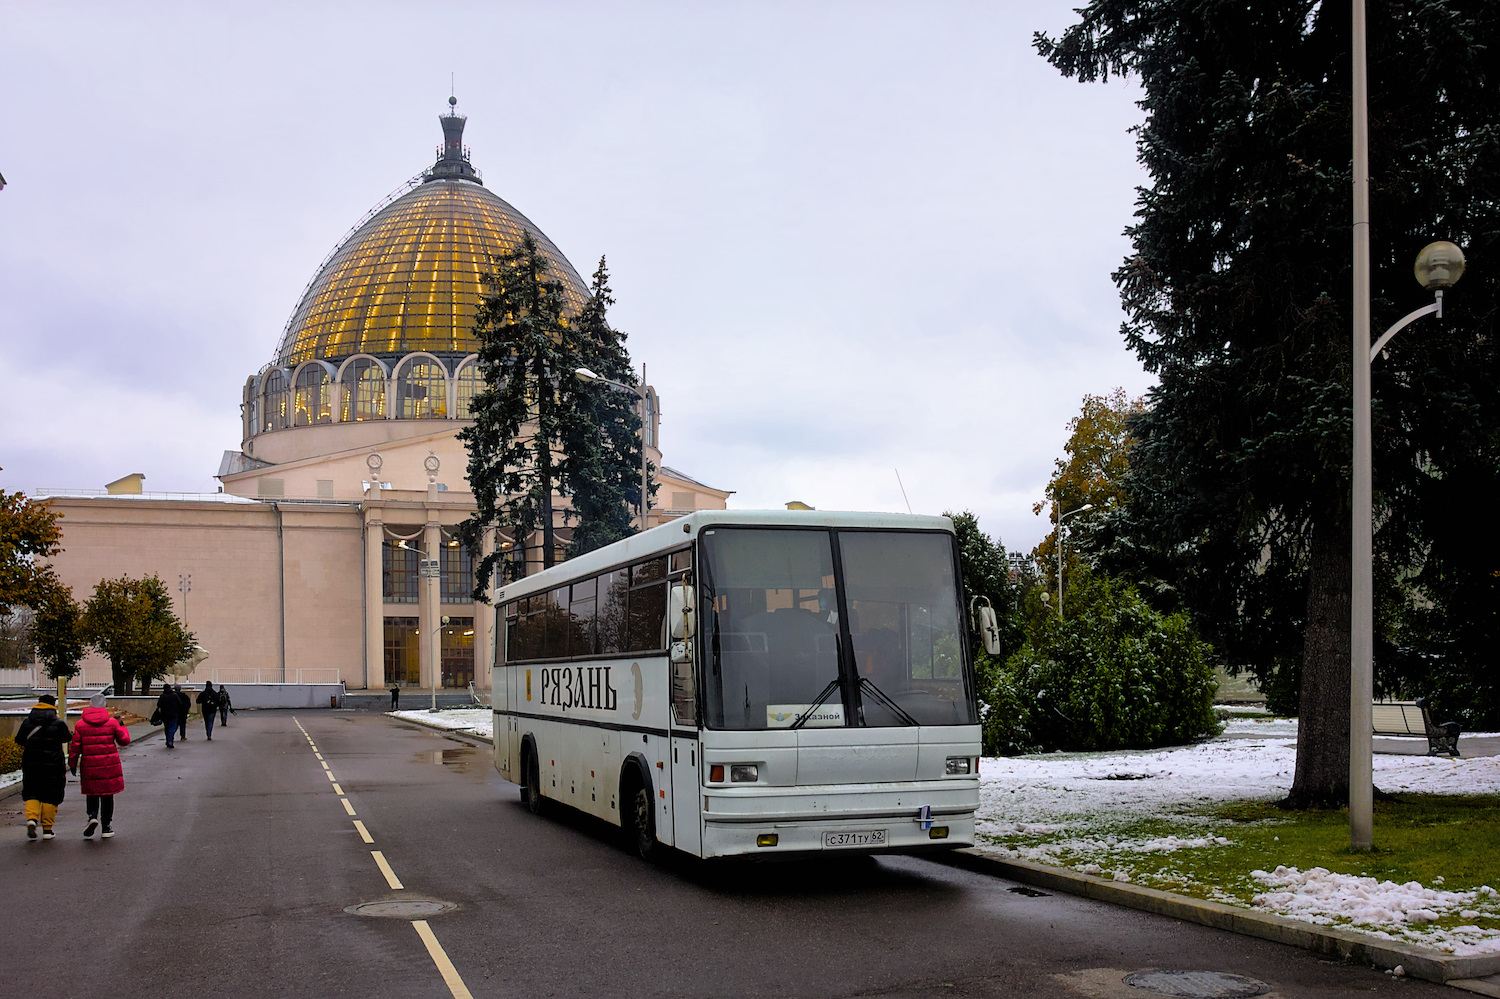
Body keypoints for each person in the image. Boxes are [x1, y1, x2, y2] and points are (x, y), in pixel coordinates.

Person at [68, 691, 129, 838]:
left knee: (92, 793)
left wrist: (72, 763)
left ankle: (92, 815)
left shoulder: (81, 725)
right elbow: (124, 741)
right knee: (108, 795)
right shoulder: (112, 723)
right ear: (104, 706)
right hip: (109, 764)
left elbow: (75, 746)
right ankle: (106, 827)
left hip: (89, 764)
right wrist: (122, 727)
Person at [16, 693, 71, 840]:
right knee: (50, 795)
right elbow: (67, 738)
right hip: (53, 764)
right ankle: (47, 829)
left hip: (31, 763)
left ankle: (32, 819)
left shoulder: (28, 722)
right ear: (53, 706)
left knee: (32, 792)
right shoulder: (57, 723)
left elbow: (19, 740)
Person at [157, 682, 180, 748]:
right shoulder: (174, 695)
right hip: (174, 714)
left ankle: (168, 740)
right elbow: (179, 704)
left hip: (164, 714)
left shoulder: (162, 696)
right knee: (172, 727)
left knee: (166, 727)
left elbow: (159, 705)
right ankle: (170, 740)